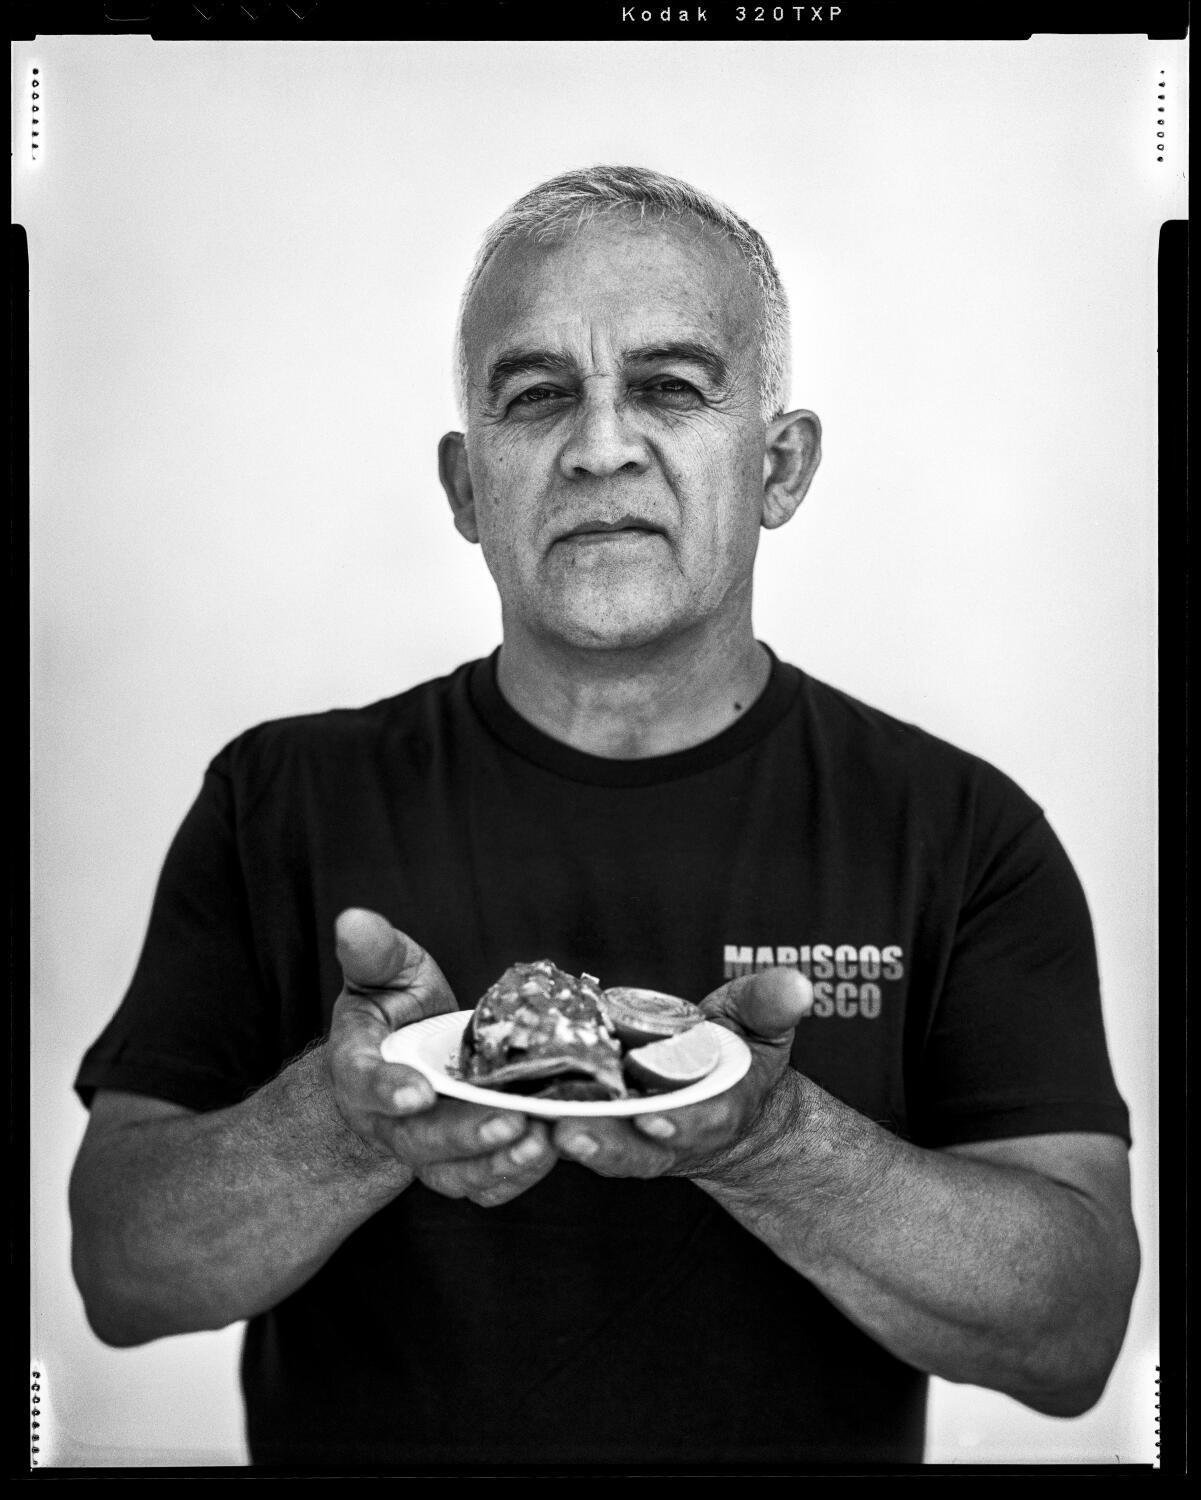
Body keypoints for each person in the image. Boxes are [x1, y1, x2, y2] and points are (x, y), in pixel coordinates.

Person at [68, 165, 1139, 1469]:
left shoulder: (959, 830)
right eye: (536, 398)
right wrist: (347, 1121)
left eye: (670, 387)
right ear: (468, 490)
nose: (599, 444)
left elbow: (1071, 1334)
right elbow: (123, 1275)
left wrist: (768, 1138)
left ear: (780, 465)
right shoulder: (280, 800)